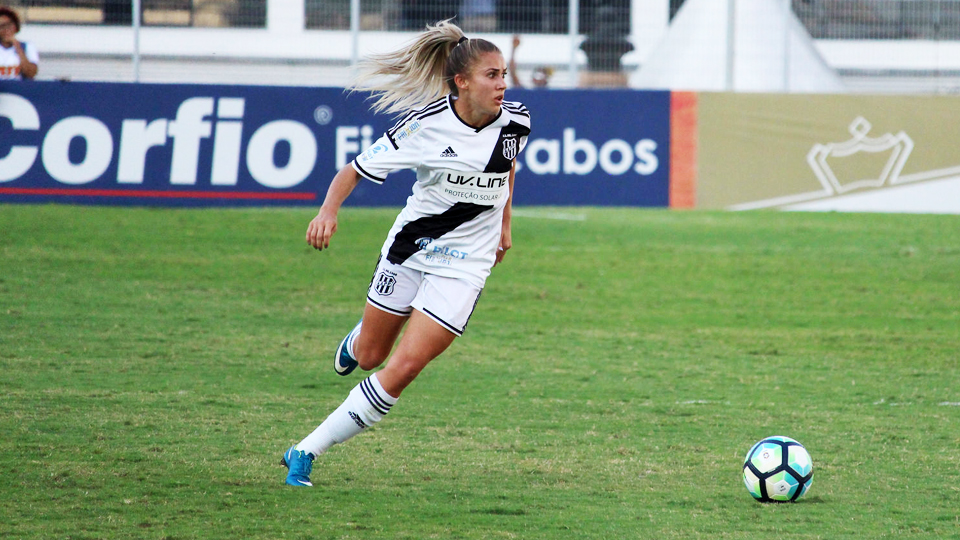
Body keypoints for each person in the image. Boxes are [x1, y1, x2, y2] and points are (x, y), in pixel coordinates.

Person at [280, 19, 531, 487]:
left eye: (502, 74)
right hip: (409, 251)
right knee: (372, 354)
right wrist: (328, 212)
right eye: (491, 75)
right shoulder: (423, 127)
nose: (502, 83)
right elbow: (353, 170)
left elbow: (506, 166)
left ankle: (305, 450)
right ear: (461, 82)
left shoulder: (517, 120)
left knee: (403, 368)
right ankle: (357, 340)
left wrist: (505, 226)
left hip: (465, 268)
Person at [0, 6, 38, 80]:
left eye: (9, 24)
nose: (6, 29)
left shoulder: (28, 46)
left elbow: (31, 74)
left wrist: (18, 47)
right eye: (2, 26)